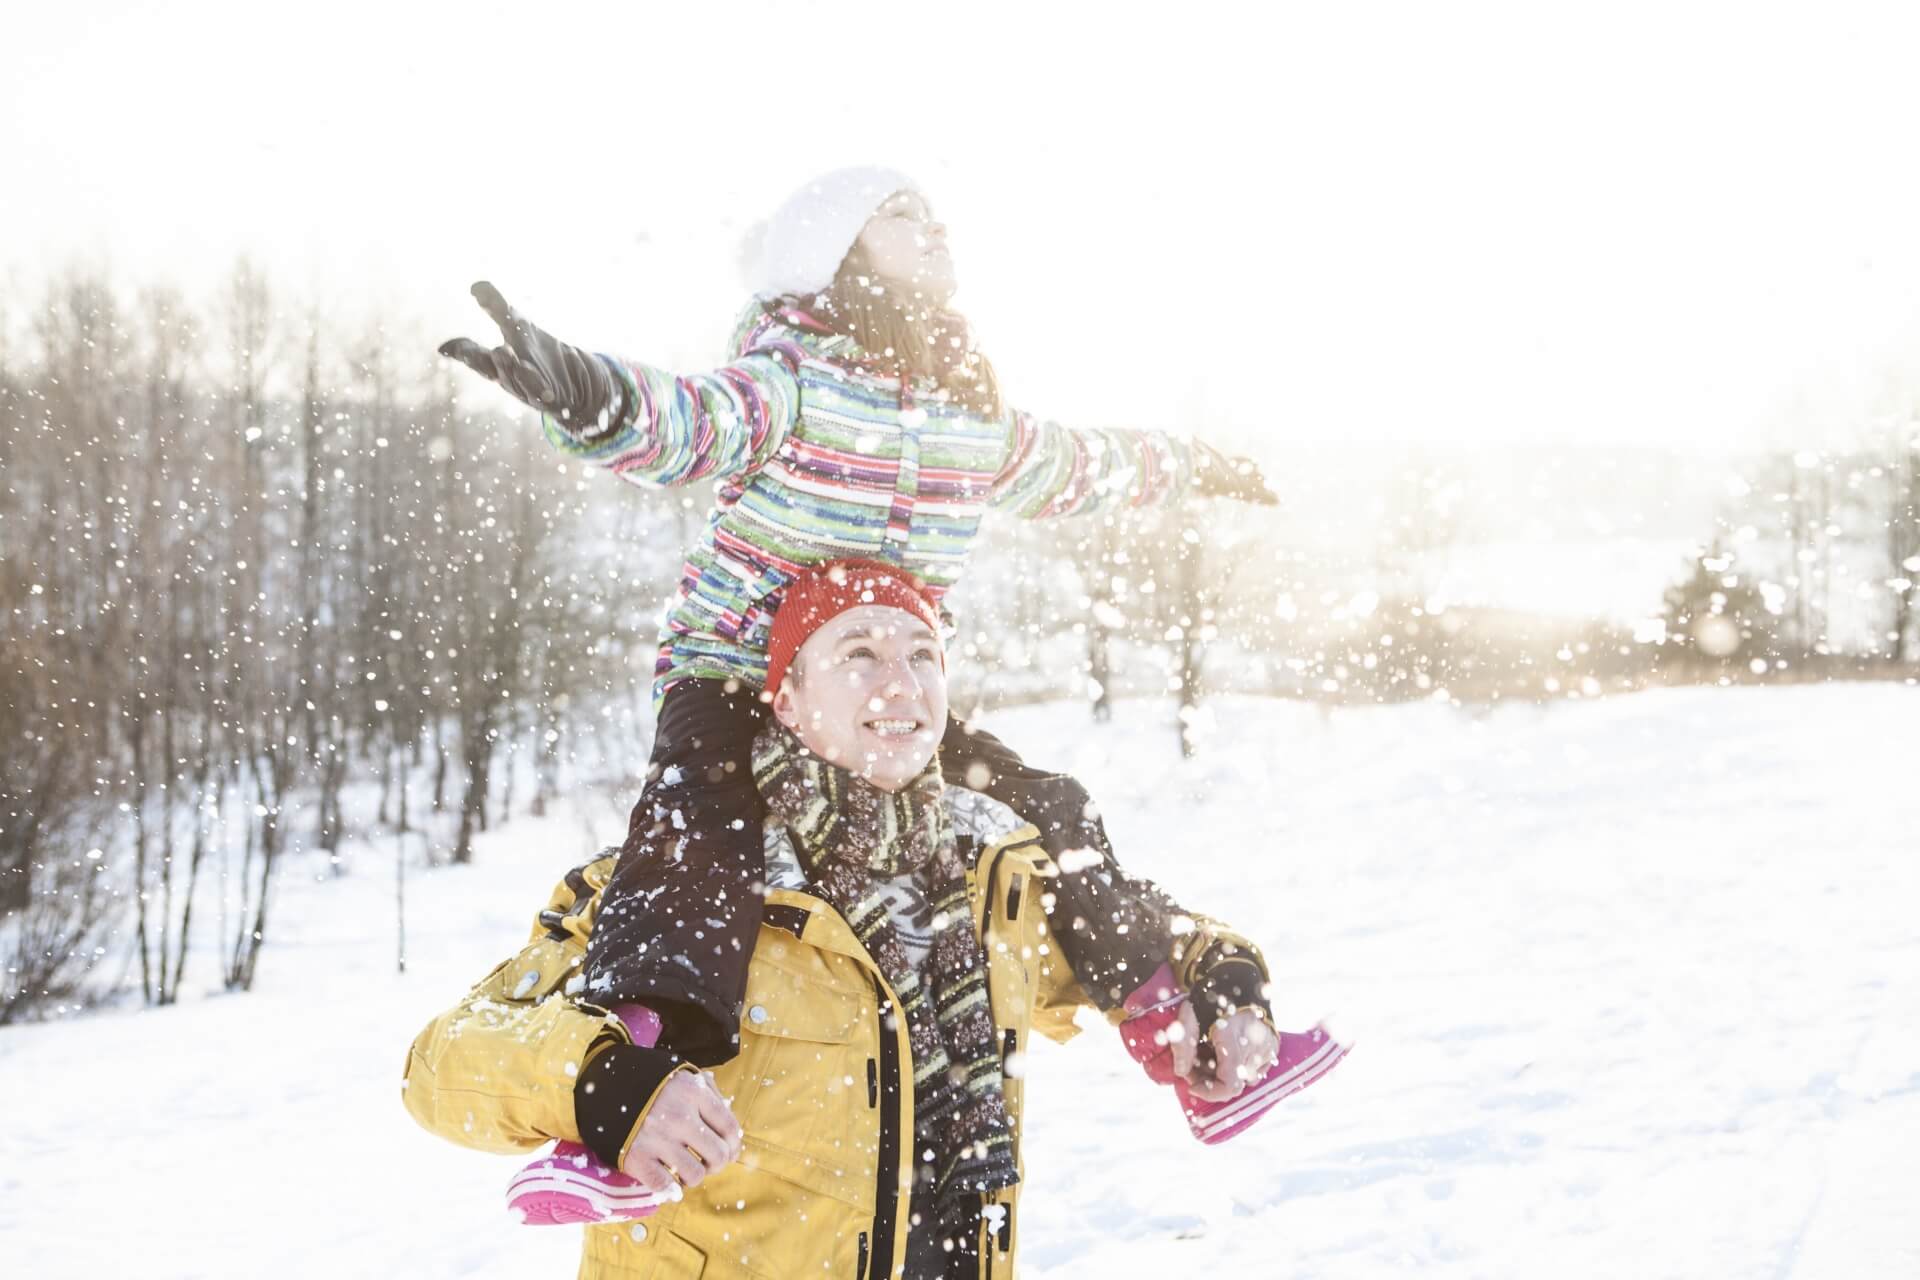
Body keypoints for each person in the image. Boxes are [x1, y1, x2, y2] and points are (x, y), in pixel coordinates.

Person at [437, 166, 1280, 1076]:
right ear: (834, 252)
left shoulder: (972, 416)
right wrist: (591, 396)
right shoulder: (794, 379)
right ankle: (641, 1065)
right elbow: (691, 422)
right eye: (901, 215)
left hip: (881, 685)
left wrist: (1192, 465)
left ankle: (1165, 1023)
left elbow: (1077, 465)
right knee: (699, 838)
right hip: (732, 668)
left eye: (935, 213)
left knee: (1046, 809)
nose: (934, 226)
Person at [402, 561, 1335, 1279]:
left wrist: (1227, 995)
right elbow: (444, 1062)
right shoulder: (685, 893)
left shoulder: (992, 881)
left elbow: (1153, 940)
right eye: (859, 655)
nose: (902, 682)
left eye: (923, 655)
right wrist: (603, 1086)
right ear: (789, 699)